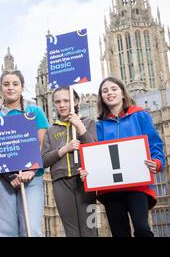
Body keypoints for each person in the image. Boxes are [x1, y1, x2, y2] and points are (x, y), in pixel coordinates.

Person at [80, 77, 165, 237]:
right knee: (119, 233)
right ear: (102, 97)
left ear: (123, 93)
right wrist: (88, 172)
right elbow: (94, 156)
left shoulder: (140, 116)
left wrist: (157, 162)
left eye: (113, 89)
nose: (109, 93)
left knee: (142, 229)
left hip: (137, 184)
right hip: (111, 188)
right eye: (105, 91)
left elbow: (155, 144)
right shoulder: (99, 126)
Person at [0, 70, 49, 237]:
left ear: (22, 87)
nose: (10, 88)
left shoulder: (35, 112)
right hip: (4, 181)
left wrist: (32, 170)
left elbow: (43, 143)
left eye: (15, 84)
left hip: (32, 179)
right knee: (7, 231)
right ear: (1, 88)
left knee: (31, 229)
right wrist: (8, 175)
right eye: (6, 84)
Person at [41, 87, 97, 237]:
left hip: (84, 180)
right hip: (61, 182)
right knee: (70, 231)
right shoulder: (51, 131)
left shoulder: (88, 122)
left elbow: (95, 148)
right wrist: (64, 149)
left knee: (90, 227)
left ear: (76, 101)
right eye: (58, 101)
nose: (62, 105)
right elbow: (44, 160)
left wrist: (79, 126)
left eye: (66, 100)